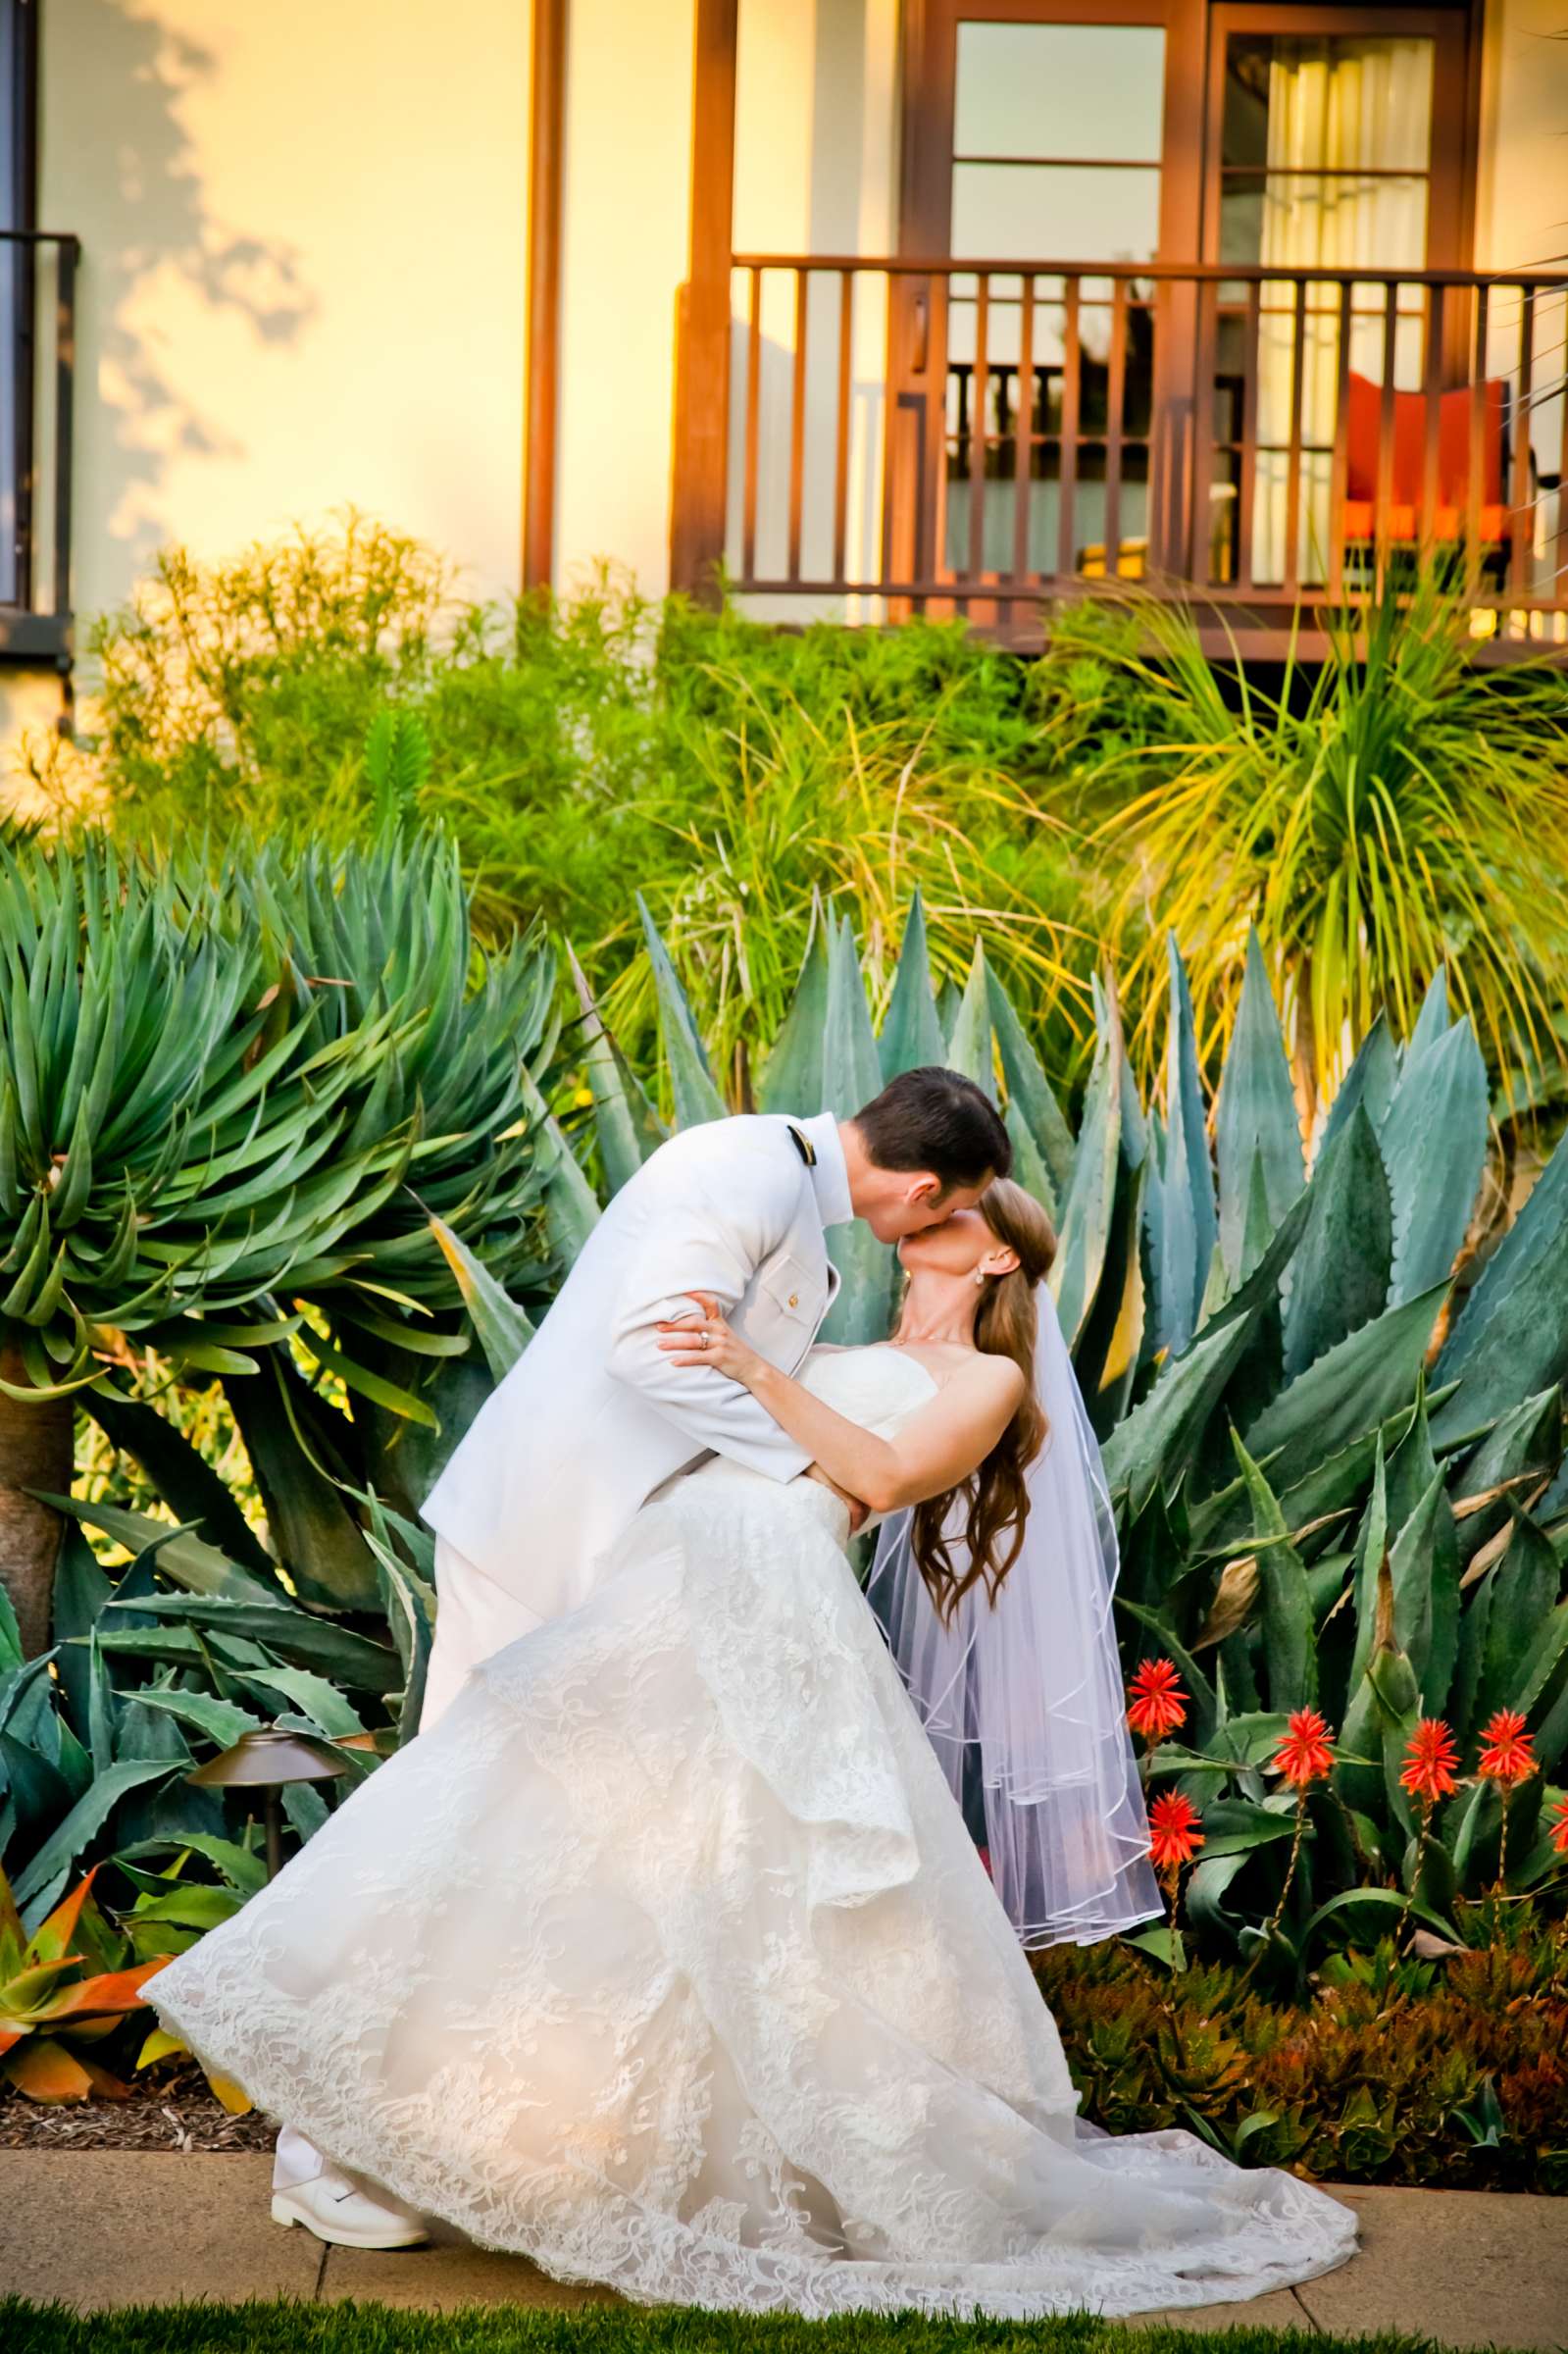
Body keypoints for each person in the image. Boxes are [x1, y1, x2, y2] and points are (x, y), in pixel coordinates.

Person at [146, 1160, 1359, 2318]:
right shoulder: (852, 1347)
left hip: (773, 1605)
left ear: (995, 1252)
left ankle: (532, 2156)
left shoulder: (989, 1384)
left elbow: (881, 1476)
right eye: (921, 1208)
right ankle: (401, 2137)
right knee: (538, 1825)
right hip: (672, 1571)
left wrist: (751, 1367)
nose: (923, 1221)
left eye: (955, 1216)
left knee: (734, 1886)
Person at [265, 1069, 1011, 2246]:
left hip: (615, 1563)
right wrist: (802, 1475)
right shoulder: (742, 1175)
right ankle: (314, 2147)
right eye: (941, 1210)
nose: (927, 1233)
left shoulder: (782, 1193)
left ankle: (431, 2135)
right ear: (922, 1191)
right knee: (440, 1838)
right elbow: (648, 1354)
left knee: (526, 1859)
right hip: (541, 1536)